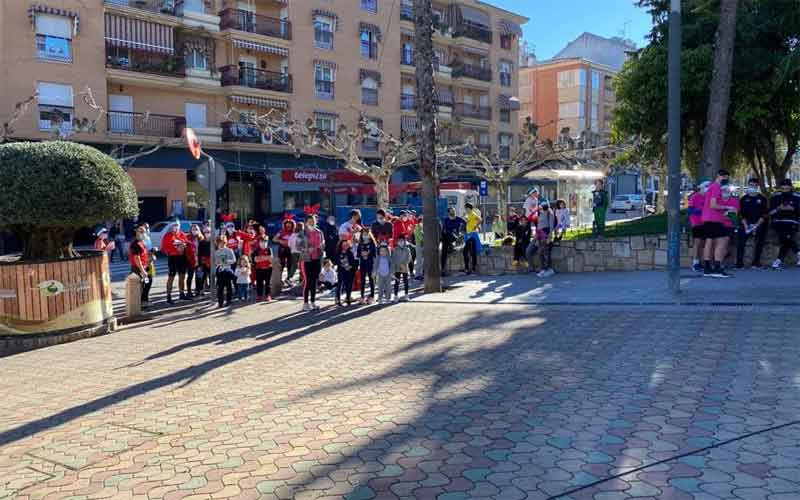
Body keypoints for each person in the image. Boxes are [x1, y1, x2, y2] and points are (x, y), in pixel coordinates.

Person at [701, 169, 733, 278]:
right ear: (719, 176)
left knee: (709, 242)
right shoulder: (716, 187)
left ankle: (707, 268)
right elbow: (713, 205)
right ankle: (717, 268)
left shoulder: (712, 187)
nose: (726, 180)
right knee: (723, 240)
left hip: (708, 218)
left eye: (727, 178)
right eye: (724, 177)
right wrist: (727, 207)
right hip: (713, 218)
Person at [736, 178, 768, 269]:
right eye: (750, 185)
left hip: (759, 224)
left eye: (754, 185)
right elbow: (740, 214)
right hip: (745, 224)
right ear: (748, 185)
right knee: (741, 242)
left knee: (760, 242)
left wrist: (756, 225)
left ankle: (756, 263)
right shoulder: (743, 199)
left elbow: (765, 214)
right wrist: (746, 226)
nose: (752, 187)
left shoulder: (762, 199)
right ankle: (739, 263)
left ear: (757, 186)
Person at [769, 179, 800, 269]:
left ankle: (778, 261)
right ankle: (797, 253)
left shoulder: (797, 197)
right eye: (783, 188)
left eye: (787, 188)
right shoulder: (775, 197)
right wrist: (779, 208)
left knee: (785, 239)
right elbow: (770, 212)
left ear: (791, 187)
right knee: (786, 238)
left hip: (792, 221)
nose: (785, 189)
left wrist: (793, 209)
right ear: (780, 188)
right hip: (778, 222)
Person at [298, 215, 325, 311]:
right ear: (305, 222)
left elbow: (323, 244)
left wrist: (322, 247)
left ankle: (313, 302)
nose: (311, 223)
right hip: (306, 260)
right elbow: (298, 247)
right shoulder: (302, 233)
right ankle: (305, 303)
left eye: (313, 221)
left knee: (314, 281)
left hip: (317, 259)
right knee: (308, 281)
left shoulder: (319, 232)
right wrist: (306, 249)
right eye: (309, 221)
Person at [162, 222, 190, 302]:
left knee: (182, 276)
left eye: (177, 226)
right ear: (171, 227)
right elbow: (164, 248)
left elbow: (187, 243)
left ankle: (181, 294)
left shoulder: (182, 234)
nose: (176, 228)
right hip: (173, 258)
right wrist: (172, 250)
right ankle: (168, 296)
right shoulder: (167, 235)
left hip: (182, 258)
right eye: (174, 226)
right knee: (171, 277)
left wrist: (183, 245)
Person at [687, 182, 710, 272]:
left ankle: (700, 262)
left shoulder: (708, 197)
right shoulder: (695, 196)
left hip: (706, 222)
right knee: (697, 243)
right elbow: (690, 210)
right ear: (701, 187)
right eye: (706, 186)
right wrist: (700, 210)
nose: (707, 188)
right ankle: (695, 263)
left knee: (703, 244)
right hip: (696, 223)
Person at [129, 225, 152, 307]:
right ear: (137, 233)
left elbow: (144, 254)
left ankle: (144, 300)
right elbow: (137, 259)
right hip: (138, 269)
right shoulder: (135, 244)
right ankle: (138, 305)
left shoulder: (142, 242)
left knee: (147, 282)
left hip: (144, 267)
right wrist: (142, 270)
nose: (144, 233)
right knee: (139, 287)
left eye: (144, 232)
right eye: (141, 232)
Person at [720, 185, 740, 269]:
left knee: (731, 245)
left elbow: (734, 214)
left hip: (731, 226)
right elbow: (716, 214)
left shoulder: (734, 201)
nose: (726, 192)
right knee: (721, 244)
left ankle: (731, 263)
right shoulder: (717, 201)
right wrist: (728, 213)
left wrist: (725, 214)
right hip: (719, 225)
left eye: (728, 190)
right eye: (724, 190)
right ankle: (720, 263)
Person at [441, 207, 465, 276]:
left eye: (454, 211)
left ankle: (451, 247)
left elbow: (466, 224)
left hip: (455, 238)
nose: (453, 212)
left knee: (448, 237)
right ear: (448, 213)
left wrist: (461, 232)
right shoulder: (446, 220)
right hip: (448, 238)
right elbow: (445, 230)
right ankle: (443, 269)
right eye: (452, 211)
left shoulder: (458, 219)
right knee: (444, 251)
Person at [214, 236, 236, 307]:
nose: (221, 244)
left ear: (225, 243)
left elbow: (234, 260)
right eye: (219, 243)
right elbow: (215, 262)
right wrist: (218, 263)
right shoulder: (216, 252)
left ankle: (229, 300)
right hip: (220, 271)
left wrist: (227, 261)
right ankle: (220, 302)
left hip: (227, 270)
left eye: (223, 243)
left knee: (228, 286)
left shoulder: (229, 250)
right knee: (220, 287)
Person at [273, 219, 296, 286]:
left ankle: (288, 279)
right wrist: (280, 241)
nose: (288, 226)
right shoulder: (281, 232)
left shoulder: (294, 232)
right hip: (282, 250)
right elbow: (274, 239)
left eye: (290, 224)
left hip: (291, 250)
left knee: (290, 265)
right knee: (281, 265)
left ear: (292, 225)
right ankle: (278, 279)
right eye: (287, 224)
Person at [537, 202, 557, 277]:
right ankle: (543, 269)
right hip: (540, 234)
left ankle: (549, 269)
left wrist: (550, 236)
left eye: (540, 205)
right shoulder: (541, 213)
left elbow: (551, 225)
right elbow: (539, 224)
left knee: (546, 252)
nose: (539, 207)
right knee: (540, 252)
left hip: (546, 234)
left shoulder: (550, 213)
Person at [357, 229, 377, 304]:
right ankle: (362, 296)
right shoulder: (361, 243)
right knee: (362, 280)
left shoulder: (372, 243)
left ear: (369, 235)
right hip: (362, 263)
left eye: (366, 234)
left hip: (370, 263)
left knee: (371, 279)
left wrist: (368, 253)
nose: (365, 236)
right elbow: (358, 253)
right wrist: (361, 253)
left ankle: (372, 296)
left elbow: (375, 254)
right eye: (363, 234)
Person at [336, 239, 357, 306]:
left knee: (349, 285)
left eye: (346, 245)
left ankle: (348, 298)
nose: (345, 246)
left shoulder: (350, 252)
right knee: (340, 285)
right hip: (341, 271)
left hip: (349, 271)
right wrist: (343, 265)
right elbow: (337, 261)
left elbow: (353, 261)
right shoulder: (338, 252)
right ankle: (338, 299)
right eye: (343, 245)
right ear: (341, 245)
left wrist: (351, 266)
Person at [252, 234, 273, 302]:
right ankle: (259, 295)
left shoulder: (269, 249)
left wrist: (261, 258)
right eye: (262, 242)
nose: (263, 244)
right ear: (259, 242)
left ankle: (268, 295)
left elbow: (271, 259)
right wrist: (266, 258)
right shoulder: (256, 250)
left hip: (268, 268)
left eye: (265, 242)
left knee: (268, 283)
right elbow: (256, 259)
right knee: (259, 283)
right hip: (259, 269)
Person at [462, 203, 482, 274]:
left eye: (465, 208)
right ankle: (468, 268)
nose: (465, 209)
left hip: (472, 234)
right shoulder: (468, 214)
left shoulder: (473, 214)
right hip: (468, 234)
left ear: (468, 208)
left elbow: (480, 219)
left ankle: (472, 268)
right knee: (467, 251)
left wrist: (476, 226)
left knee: (472, 251)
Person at [392, 234, 412, 301]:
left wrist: (404, 264)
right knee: (397, 282)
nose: (401, 242)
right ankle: (395, 296)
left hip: (405, 268)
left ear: (404, 241)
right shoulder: (395, 249)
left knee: (405, 282)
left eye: (402, 241)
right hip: (397, 268)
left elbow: (409, 258)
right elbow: (394, 258)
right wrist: (399, 265)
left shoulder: (407, 249)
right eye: (399, 241)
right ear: (397, 241)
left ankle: (406, 295)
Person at [185, 224, 202, 298]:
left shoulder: (201, 238)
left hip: (199, 260)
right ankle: (189, 291)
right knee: (190, 276)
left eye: (196, 229)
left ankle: (198, 291)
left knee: (198, 276)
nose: (194, 231)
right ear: (190, 230)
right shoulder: (187, 237)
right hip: (190, 260)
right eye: (193, 229)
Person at [196, 227, 212, 296]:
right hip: (204, 261)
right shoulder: (201, 242)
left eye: (208, 232)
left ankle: (213, 290)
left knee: (212, 277)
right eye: (205, 232)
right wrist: (199, 264)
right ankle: (201, 290)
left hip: (212, 261)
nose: (207, 233)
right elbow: (199, 254)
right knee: (202, 276)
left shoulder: (213, 241)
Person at [413, 216, 424, 281]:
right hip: (419, 245)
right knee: (419, 260)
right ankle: (417, 275)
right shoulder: (417, 227)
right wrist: (424, 239)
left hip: (422, 245)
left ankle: (420, 274)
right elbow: (420, 237)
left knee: (422, 261)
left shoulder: (421, 227)